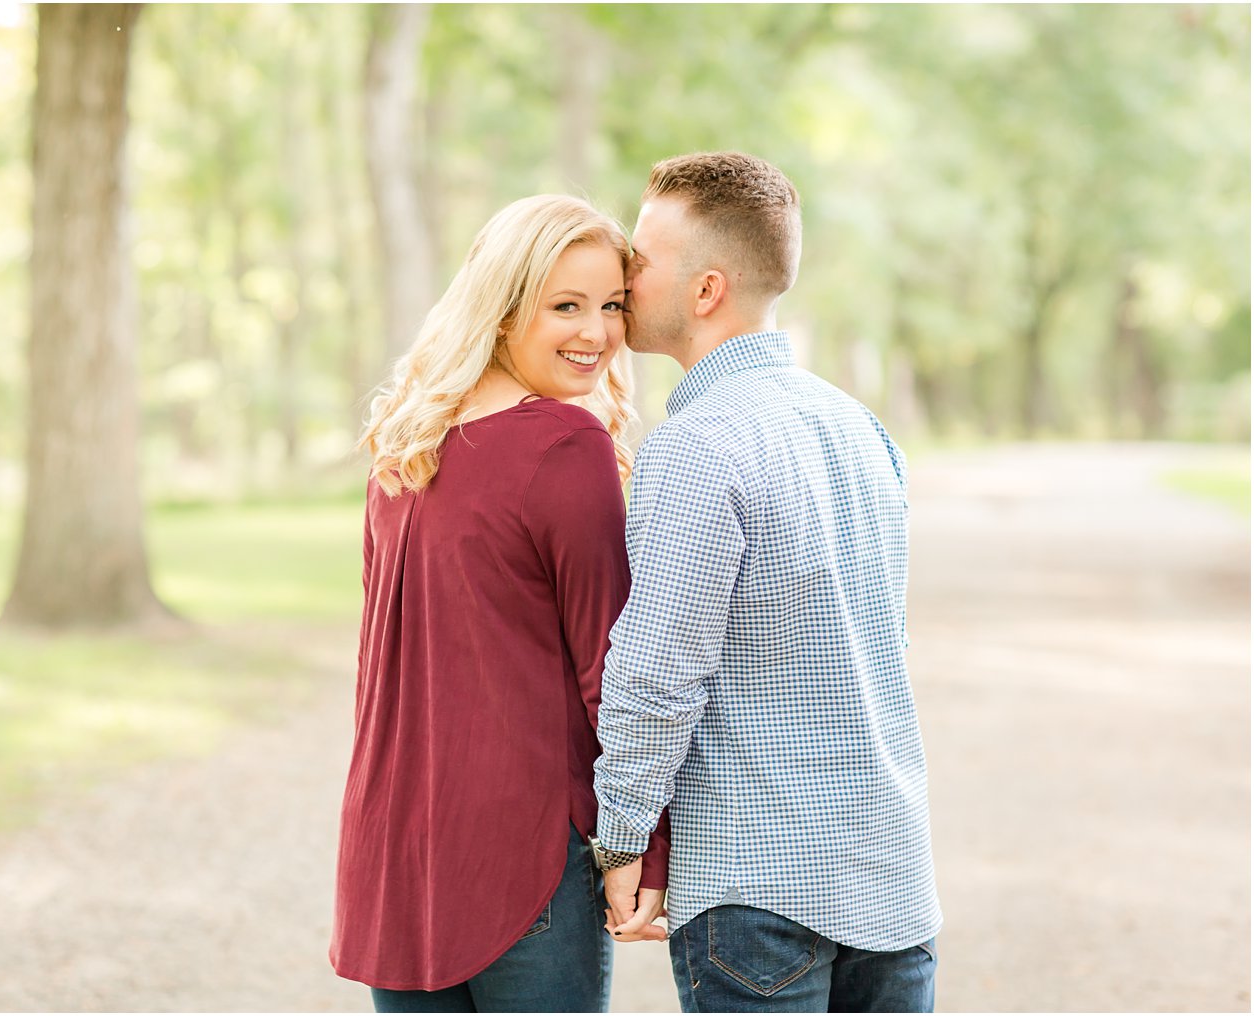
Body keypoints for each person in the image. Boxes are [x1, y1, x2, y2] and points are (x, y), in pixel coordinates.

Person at [590, 152, 943, 1012]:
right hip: (891, 878)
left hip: (762, 892)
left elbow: (658, 669)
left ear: (706, 289)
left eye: (642, 257)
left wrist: (621, 839)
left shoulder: (695, 445)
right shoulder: (858, 426)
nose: (624, 276)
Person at [332, 194, 669, 1013]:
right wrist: (642, 851)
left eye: (612, 306)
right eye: (566, 305)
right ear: (505, 305)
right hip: (521, 860)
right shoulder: (564, 444)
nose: (596, 333)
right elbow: (610, 671)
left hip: (395, 858)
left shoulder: (404, 447)